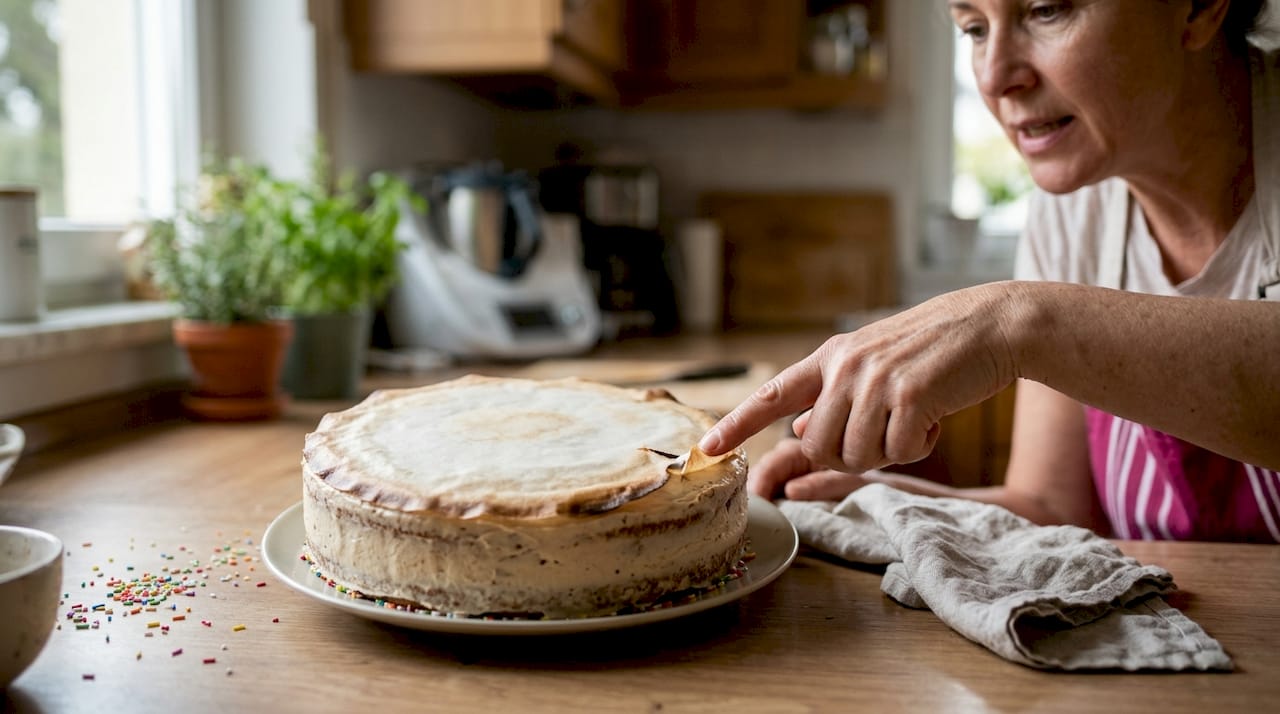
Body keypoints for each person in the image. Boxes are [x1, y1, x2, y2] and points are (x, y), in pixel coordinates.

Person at [698, 0, 1280, 542]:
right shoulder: (1071, 209)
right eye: (974, 29)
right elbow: (1054, 507)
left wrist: (1017, 322)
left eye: (1047, 10)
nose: (996, 78)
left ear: (1199, 7)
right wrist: (877, 499)